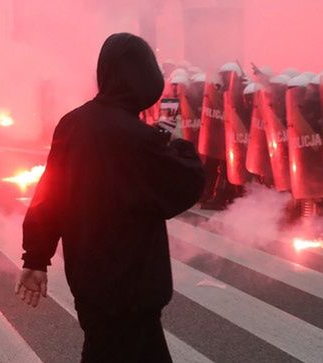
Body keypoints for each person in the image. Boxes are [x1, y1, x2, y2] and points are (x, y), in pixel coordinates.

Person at [17, 33, 205, 362]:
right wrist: (179, 144)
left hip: (89, 276)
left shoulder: (72, 124)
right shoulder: (140, 139)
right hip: (137, 282)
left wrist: (35, 257)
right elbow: (185, 183)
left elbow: (49, 195)